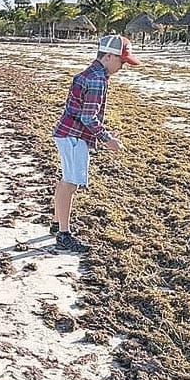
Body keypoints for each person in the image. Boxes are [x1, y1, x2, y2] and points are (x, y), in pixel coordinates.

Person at [51, 34, 140, 252]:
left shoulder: (89, 74)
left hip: (67, 133)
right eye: (122, 61)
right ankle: (63, 234)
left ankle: (57, 223)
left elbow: (83, 113)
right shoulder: (97, 80)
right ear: (109, 56)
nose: (122, 67)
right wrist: (107, 139)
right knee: (71, 183)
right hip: (74, 136)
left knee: (66, 181)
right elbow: (88, 118)